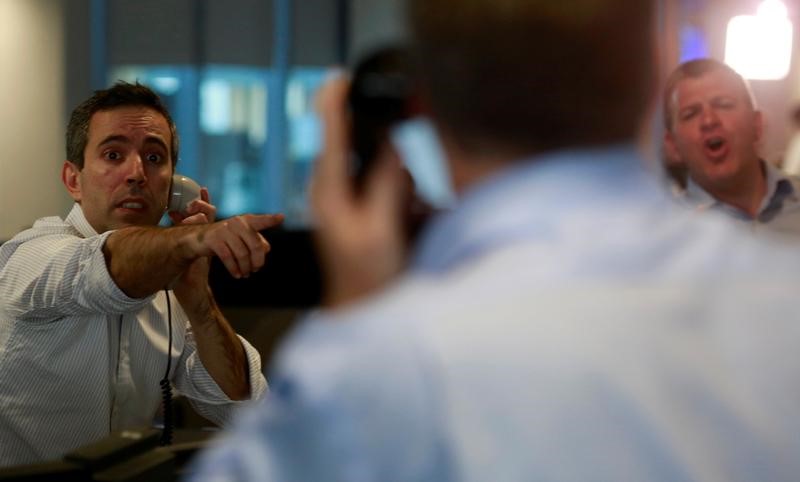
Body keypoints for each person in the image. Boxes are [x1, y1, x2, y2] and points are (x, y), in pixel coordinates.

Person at [189, 1, 800, 480]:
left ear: (426, 108)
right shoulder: (785, 299)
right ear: (652, 82)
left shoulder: (387, 364)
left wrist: (358, 320)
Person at [0, 81, 283, 466]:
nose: (136, 173)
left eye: (154, 158)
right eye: (114, 154)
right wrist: (191, 241)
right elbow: (99, 268)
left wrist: (198, 300)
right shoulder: (30, 255)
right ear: (73, 180)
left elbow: (245, 409)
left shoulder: (168, 289)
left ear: (174, 187)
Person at [663, 58, 800, 235]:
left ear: (757, 126)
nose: (709, 120)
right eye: (691, 114)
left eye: (723, 105)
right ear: (673, 145)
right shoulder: (665, 238)